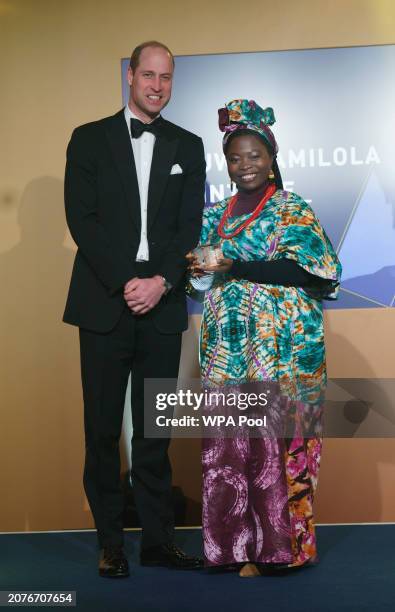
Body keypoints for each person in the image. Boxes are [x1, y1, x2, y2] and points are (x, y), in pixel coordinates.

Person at [63, 41, 206, 577]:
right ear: (130, 76)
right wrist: (130, 281)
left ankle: (157, 541)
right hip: (105, 302)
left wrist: (162, 282)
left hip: (162, 304)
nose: (157, 86)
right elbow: (84, 221)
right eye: (148, 75)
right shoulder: (89, 139)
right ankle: (110, 543)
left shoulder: (188, 147)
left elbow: (189, 226)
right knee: (101, 431)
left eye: (166, 77)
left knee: (154, 431)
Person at [188, 99, 341, 577]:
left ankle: (285, 549)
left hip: (287, 351)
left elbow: (311, 270)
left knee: (283, 446)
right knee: (233, 449)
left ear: (271, 157)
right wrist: (196, 269)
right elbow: (201, 279)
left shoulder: (294, 209)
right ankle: (235, 549)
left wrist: (239, 268)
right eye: (236, 157)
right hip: (228, 353)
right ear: (227, 163)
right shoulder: (215, 214)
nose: (245, 164)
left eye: (254, 155)